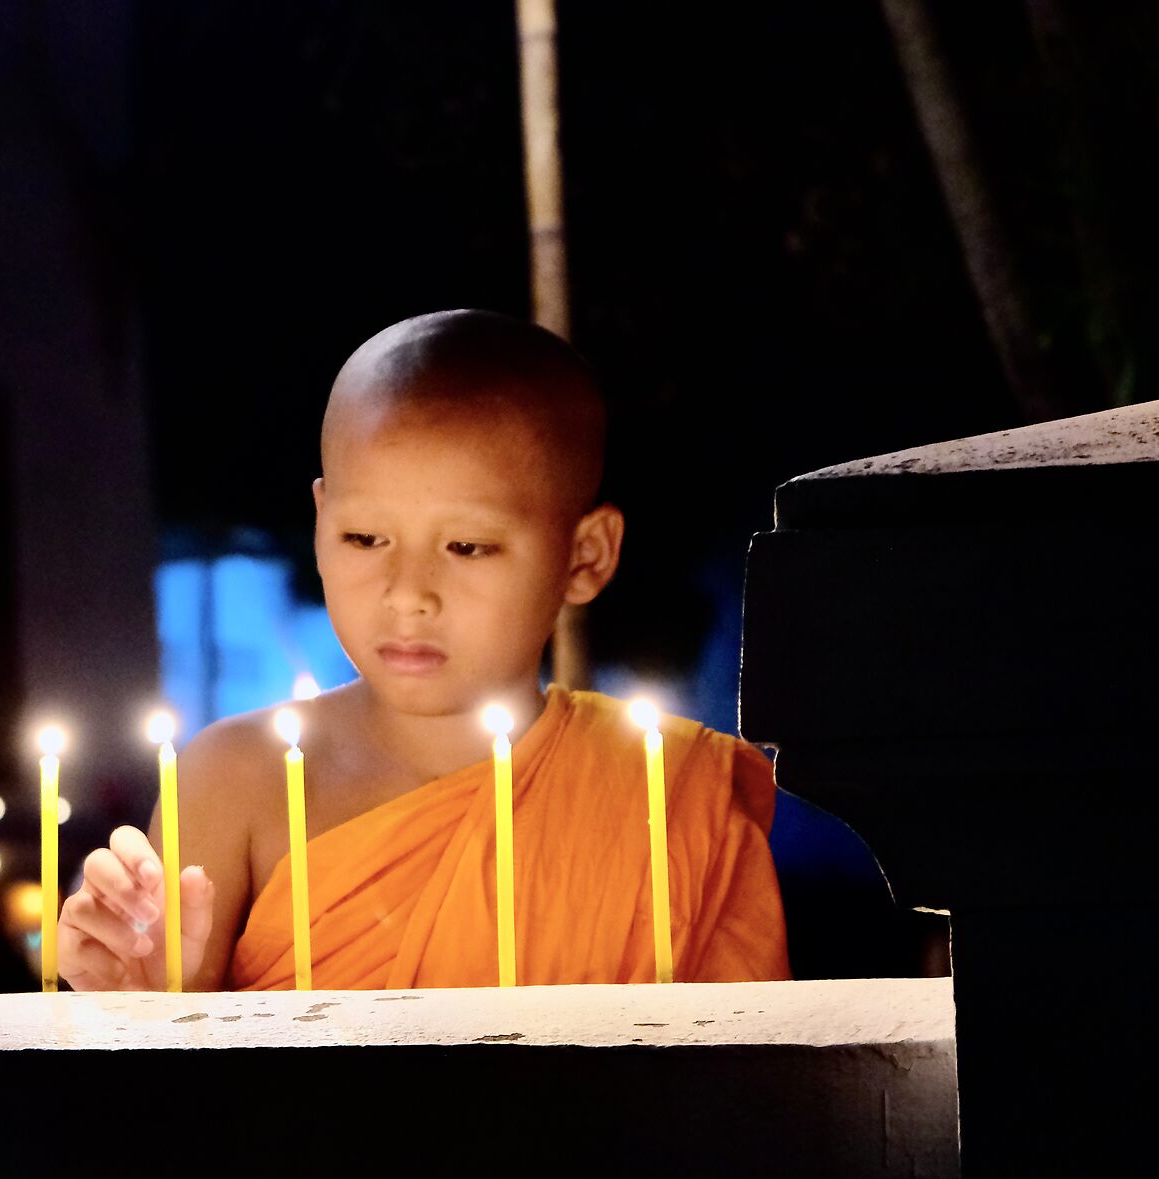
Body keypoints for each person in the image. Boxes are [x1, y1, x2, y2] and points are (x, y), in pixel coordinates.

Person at [57, 309, 788, 993]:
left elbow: (746, 1101)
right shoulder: (236, 783)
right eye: (363, 539)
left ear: (585, 555)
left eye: (467, 546)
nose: (408, 594)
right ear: (319, 524)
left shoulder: (672, 798)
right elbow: (153, 1102)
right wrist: (132, 1001)